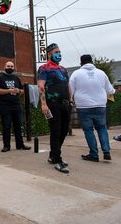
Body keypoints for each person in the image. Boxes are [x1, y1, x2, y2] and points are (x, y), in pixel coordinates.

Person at [69, 55, 116, 162]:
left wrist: (71, 99)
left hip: (83, 106)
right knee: (102, 128)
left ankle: (94, 154)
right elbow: (110, 90)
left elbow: (70, 89)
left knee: (88, 130)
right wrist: (113, 91)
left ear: (81, 63)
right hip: (100, 105)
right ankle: (106, 151)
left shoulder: (76, 74)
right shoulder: (101, 73)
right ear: (92, 62)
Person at [37, 43, 71, 173]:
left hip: (65, 103)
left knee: (63, 130)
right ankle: (57, 160)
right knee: (55, 131)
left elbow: (67, 85)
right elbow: (41, 87)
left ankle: (53, 155)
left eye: (60, 51)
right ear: (49, 54)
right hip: (53, 103)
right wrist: (44, 104)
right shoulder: (44, 69)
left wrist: (71, 100)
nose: (59, 54)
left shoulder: (63, 69)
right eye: (56, 52)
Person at [0, 61, 31, 152]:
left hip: (16, 105)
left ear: (14, 68)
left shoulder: (16, 78)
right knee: (6, 126)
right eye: (8, 66)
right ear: (4, 67)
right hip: (4, 106)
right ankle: (6, 146)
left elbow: (23, 91)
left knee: (18, 125)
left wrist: (18, 91)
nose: (10, 68)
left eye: (11, 66)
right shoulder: (0, 78)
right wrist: (9, 90)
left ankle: (20, 145)